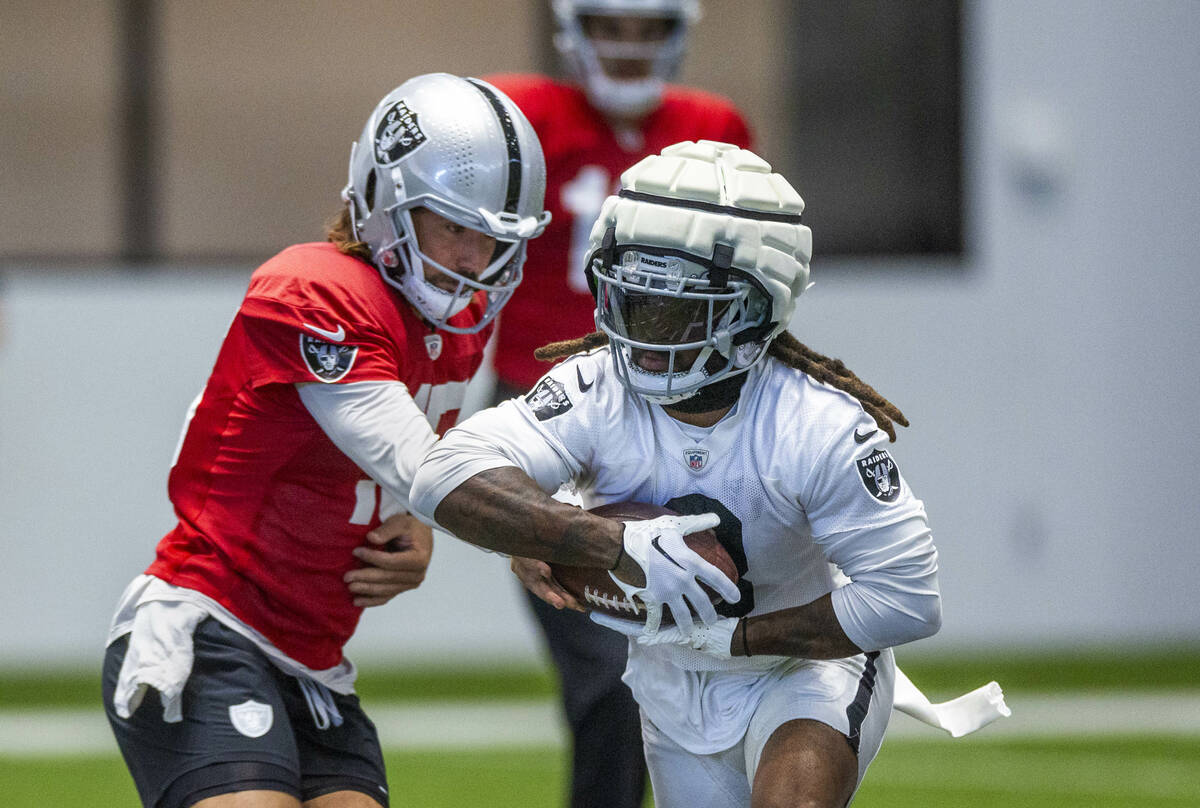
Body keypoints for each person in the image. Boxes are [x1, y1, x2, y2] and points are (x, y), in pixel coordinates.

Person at [410, 141, 943, 807]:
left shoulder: (818, 425)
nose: (647, 330)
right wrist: (590, 540)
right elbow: (442, 475)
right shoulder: (596, 388)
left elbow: (907, 599)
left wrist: (735, 637)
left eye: (678, 308)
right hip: (669, 675)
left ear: (755, 308)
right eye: (635, 300)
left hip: (802, 665)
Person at [101, 72, 550, 808]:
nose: (475, 260)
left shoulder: (453, 324)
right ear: (383, 203)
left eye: (495, 236)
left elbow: (414, 468)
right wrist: (536, 538)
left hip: (316, 660)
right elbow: (425, 464)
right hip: (209, 626)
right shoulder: (314, 291)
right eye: (455, 226)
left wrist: (417, 520)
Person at [484, 3, 752, 803]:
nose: (629, 48)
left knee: (718, 670)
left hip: (681, 414)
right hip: (553, 419)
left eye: (647, 29)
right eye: (613, 25)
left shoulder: (714, 127)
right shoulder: (519, 118)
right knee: (611, 673)